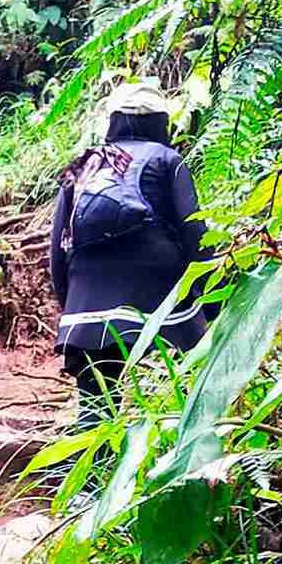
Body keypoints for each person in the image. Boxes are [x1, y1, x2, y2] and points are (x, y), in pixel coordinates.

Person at [51, 83, 208, 383]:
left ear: (113, 120)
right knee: (186, 393)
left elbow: (58, 252)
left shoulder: (83, 166)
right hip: (162, 306)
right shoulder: (167, 160)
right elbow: (194, 232)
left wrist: (71, 309)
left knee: (96, 411)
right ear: (162, 121)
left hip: (87, 307)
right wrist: (211, 302)